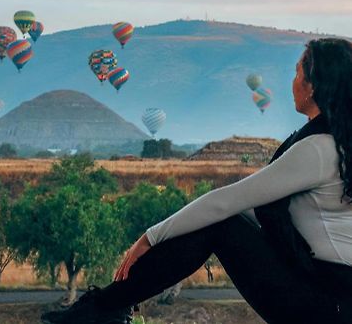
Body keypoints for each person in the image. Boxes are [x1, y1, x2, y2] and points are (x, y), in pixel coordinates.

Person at [41, 38, 352, 324]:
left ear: (313, 86)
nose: (293, 82)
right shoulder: (336, 143)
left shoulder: (318, 148)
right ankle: (106, 309)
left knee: (218, 224)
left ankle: (101, 310)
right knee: (220, 222)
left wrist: (150, 238)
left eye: (298, 73)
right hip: (328, 292)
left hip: (326, 302)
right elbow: (252, 210)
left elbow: (226, 202)